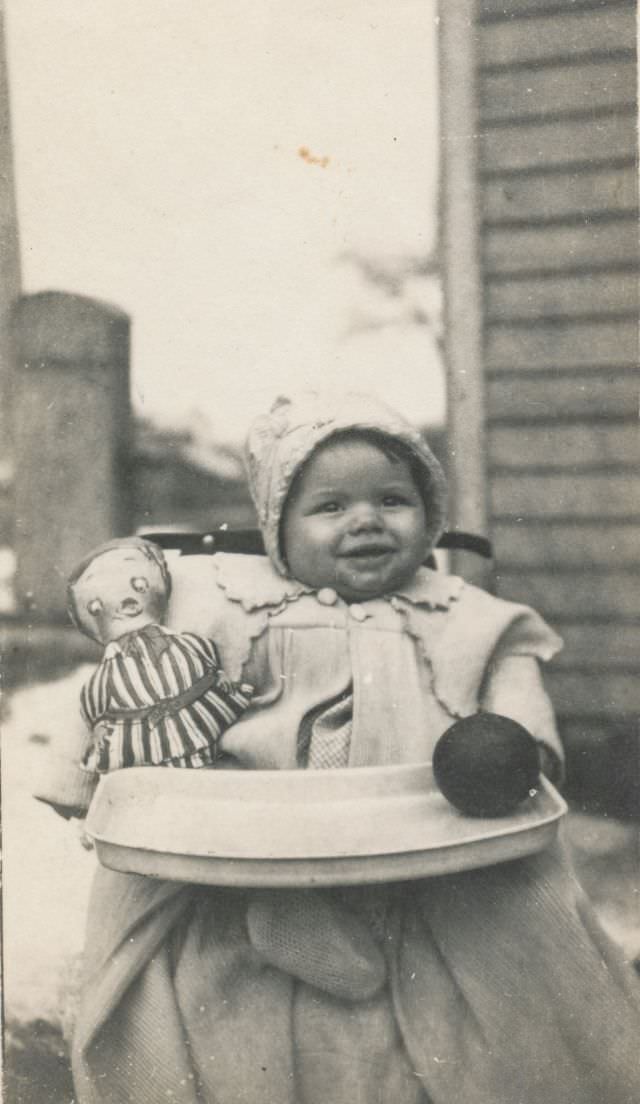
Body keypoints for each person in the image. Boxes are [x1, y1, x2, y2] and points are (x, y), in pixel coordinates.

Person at [36, 392, 640, 1104]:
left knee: (519, 971)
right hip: (256, 834)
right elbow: (125, 677)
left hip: (426, 832)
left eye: (393, 500)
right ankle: (292, 913)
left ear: (431, 515)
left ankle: (361, 927)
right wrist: (96, 779)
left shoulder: (470, 617)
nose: (366, 521)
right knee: (213, 962)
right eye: (330, 508)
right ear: (278, 531)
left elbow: (518, 694)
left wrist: (517, 748)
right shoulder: (229, 604)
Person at [67, 536, 253, 779]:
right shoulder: (110, 665)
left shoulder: (182, 641)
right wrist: (97, 722)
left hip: (192, 710)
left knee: (200, 758)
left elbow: (203, 651)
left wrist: (217, 675)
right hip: (138, 731)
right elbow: (93, 695)